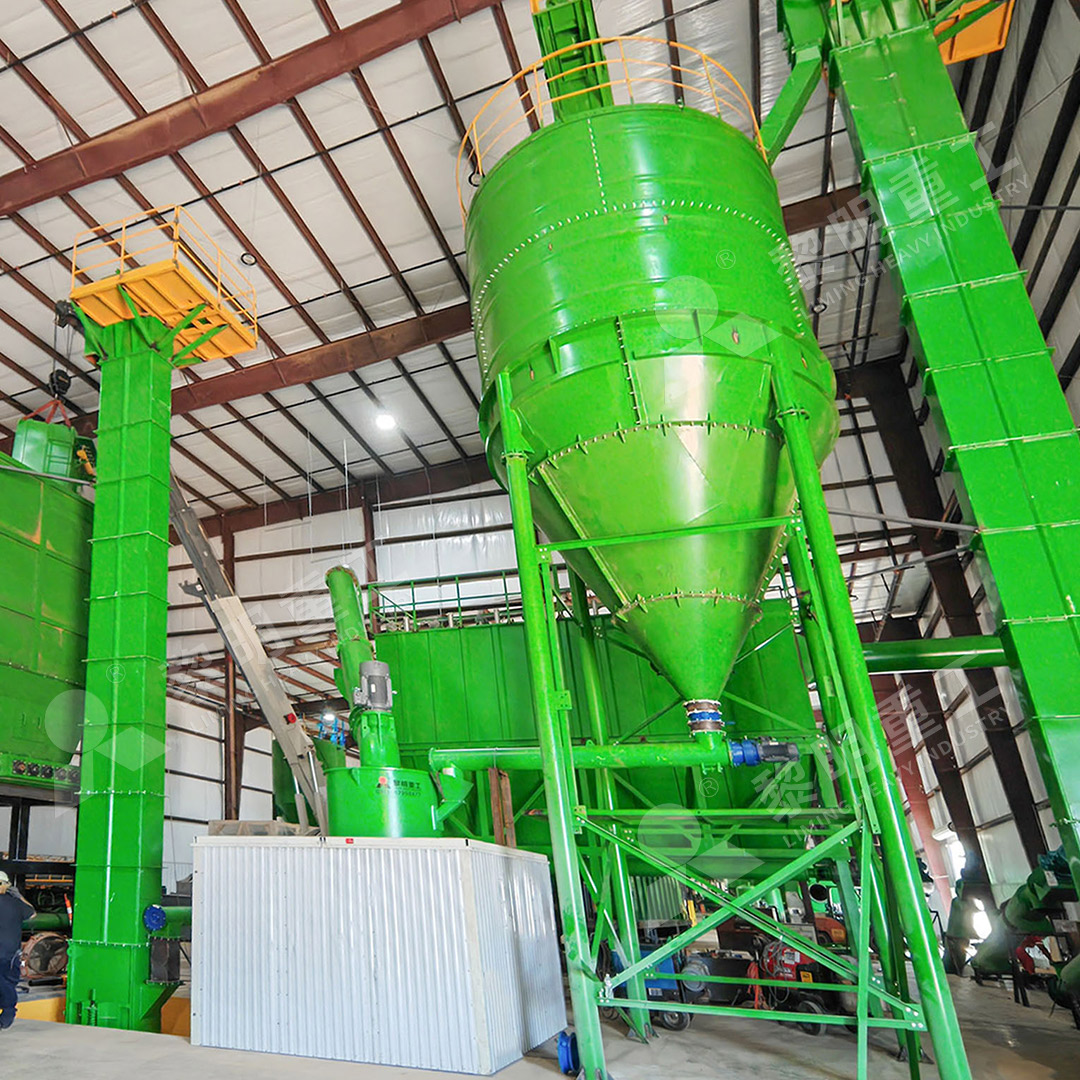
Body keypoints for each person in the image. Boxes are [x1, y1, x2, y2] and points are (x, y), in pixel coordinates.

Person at [0, 871, 33, 1030]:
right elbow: (32, 914)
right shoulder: (16, 903)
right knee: (7, 983)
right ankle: (7, 1015)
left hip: (6, 953)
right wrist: (19, 896)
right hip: (10, 953)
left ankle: (6, 1016)